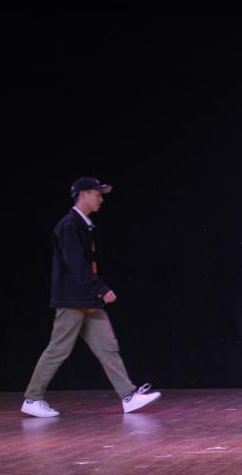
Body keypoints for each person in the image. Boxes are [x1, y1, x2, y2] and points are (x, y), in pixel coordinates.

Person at [21, 177, 161, 418]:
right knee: (58, 349)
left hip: (88, 300)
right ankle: (32, 398)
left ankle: (128, 396)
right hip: (73, 300)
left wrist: (96, 291)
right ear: (83, 194)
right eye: (97, 194)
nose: (101, 199)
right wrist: (101, 288)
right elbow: (77, 265)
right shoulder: (69, 225)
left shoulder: (84, 225)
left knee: (108, 347)